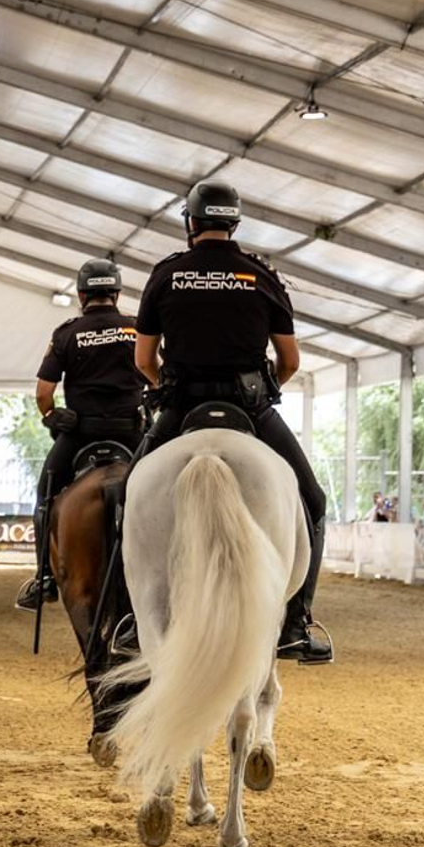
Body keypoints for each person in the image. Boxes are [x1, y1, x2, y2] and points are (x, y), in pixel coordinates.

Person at [134, 179, 332, 664]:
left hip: (182, 406)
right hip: (251, 407)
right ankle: (296, 623)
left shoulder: (166, 275)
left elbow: (143, 359)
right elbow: (290, 360)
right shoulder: (261, 275)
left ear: (191, 222)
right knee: (312, 500)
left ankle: (124, 616)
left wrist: (167, 386)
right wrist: (266, 388)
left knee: (123, 499)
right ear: (234, 223)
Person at [17, 258, 144, 610]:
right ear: (117, 293)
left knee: (45, 497)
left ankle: (44, 577)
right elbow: (155, 372)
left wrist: (52, 415)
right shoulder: (136, 329)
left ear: (81, 294)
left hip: (81, 434)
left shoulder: (67, 333)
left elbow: (43, 393)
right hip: (131, 434)